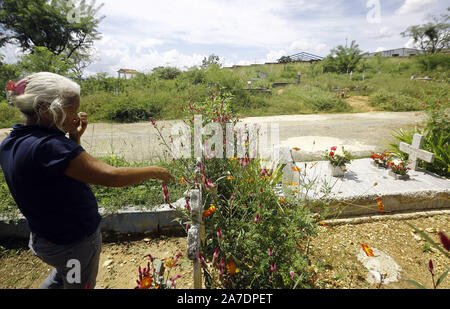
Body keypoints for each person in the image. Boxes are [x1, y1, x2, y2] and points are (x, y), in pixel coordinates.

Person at [0, 72, 175, 289]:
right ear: (46, 110)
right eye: (71, 110)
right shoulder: (51, 147)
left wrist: (74, 139)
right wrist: (154, 171)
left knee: (62, 274)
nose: (76, 117)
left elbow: (59, 171)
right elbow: (111, 176)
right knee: (77, 283)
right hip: (72, 244)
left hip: (46, 238)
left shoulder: (14, 140)